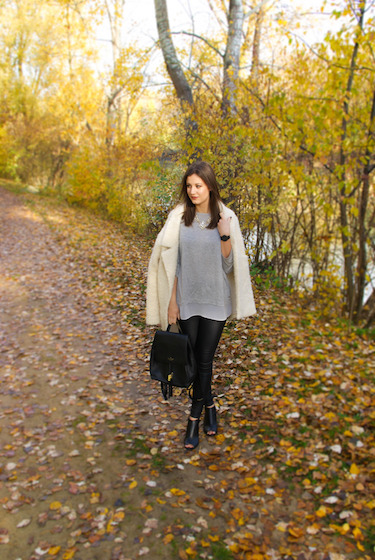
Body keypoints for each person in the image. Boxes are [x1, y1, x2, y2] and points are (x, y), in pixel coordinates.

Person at [146, 161, 256, 450]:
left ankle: (193, 420)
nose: (193, 191)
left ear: (209, 186)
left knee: (204, 361)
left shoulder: (226, 217)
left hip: (216, 301)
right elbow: (174, 265)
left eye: (198, 185)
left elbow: (230, 265)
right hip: (187, 298)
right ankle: (209, 407)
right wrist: (171, 302)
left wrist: (224, 234)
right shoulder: (179, 218)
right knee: (194, 359)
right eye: (189, 186)